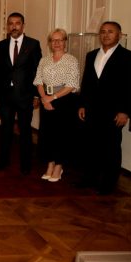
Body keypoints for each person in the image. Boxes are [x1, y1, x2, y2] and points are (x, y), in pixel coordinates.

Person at [78, 21, 131, 195]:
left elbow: (130, 87)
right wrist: (83, 104)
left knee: (111, 148)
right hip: (92, 109)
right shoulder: (91, 55)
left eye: (110, 31)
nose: (106, 34)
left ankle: (108, 183)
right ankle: (89, 178)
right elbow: (87, 82)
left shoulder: (127, 57)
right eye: (103, 31)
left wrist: (125, 111)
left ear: (119, 35)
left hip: (114, 112)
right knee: (91, 145)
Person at [0, 12, 42, 174]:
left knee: (25, 130)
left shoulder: (33, 44)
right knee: (5, 130)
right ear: (7, 26)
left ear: (23, 25)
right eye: (11, 23)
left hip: (25, 96)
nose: (14, 26)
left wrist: (36, 95)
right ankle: (3, 161)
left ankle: (26, 164)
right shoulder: (1, 45)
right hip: (5, 96)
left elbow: (38, 71)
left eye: (17, 23)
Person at [33, 29, 80, 183]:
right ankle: (50, 164)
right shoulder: (44, 60)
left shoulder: (71, 60)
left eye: (60, 40)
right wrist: (44, 98)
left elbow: (72, 85)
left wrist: (51, 98)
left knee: (62, 134)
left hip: (64, 100)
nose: (57, 43)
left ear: (65, 42)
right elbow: (38, 81)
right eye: (53, 40)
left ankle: (59, 166)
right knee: (47, 134)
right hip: (45, 98)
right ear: (49, 43)